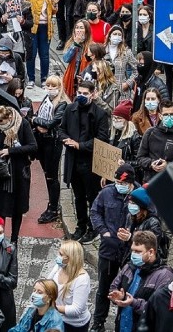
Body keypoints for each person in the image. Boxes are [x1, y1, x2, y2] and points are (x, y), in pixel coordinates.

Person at [58, 80, 110, 243]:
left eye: (85, 94)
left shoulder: (100, 114)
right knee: (78, 196)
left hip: (90, 162)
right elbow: (61, 129)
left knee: (92, 196)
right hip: (73, 162)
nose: (81, 96)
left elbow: (102, 139)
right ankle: (81, 225)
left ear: (93, 94)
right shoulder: (70, 109)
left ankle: (93, 227)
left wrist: (80, 145)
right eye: (79, 93)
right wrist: (66, 139)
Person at [89, 165, 136, 329]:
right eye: (116, 182)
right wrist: (103, 231)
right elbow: (95, 212)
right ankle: (98, 322)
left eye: (122, 183)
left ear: (131, 183)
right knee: (104, 289)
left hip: (129, 253)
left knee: (127, 290)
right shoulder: (106, 192)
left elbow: (149, 223)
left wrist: (132, 237)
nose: (118, 185)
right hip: (109, 250)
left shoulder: (139, 198)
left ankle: (121, 323)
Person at [0, 105, 36, 243]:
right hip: (0, 170)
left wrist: (10, 151)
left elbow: (32, 146)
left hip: (18, 171)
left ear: (10, 118)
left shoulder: (23, 124)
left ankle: (14, 239)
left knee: (17, 208)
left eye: (3, 124)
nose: (1, 127)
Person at [107, 231, 173, 332]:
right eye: (132, 251)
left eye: (138, 251)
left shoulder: (164, 276)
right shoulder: (129, 267)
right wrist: (117, 296)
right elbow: (113, 287)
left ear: (151, 252)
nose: (133, 255)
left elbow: (159, 309)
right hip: (122, 326)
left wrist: (133, 303)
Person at [32, 76, 71, 223]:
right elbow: (38, 117)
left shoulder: (62, 103)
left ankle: (53, 207)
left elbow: (52, 123)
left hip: (53, 143)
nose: (49, 89)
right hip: (42, 142)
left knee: (51, 176)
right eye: (47, 86)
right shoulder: (46, 99)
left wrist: (35, 121)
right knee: (47, 173)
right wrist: (38, 122)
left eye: (52, 86)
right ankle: (51, 205)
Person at [136, 100, 173, 182]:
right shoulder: (150, 133)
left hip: (170, 182)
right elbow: (140, 158)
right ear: (160, 116)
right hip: (150, 181)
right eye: (165, 115)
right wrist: (152, 164)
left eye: (172, 114)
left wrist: (167, 165)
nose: (169, 117)